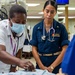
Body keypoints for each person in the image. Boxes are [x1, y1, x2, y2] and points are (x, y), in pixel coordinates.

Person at [29, 0, 69, 74]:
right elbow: (34, 48)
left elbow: (65, 49)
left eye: (52, 12)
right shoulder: (36, 28)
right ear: (43, 10)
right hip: (41, 63)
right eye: (47, 11)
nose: (49, 14)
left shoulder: (60, 28)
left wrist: (52, 67)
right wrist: (41, 66)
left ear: (55, 13)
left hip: (56, 63)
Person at [0, 4, 34, 73]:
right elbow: (0, 52)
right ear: (9, 20)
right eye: (17, 22)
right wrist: (19, 62)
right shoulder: (1, 29)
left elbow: (18, 52)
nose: (21, 25)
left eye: (23, 22)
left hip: (7, 68)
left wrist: (13, 67)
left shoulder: (22, 32)